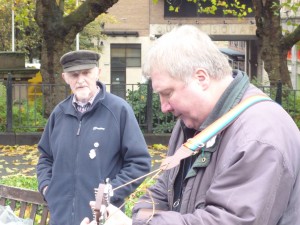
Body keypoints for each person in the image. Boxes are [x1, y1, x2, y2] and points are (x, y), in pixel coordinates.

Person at [81, 25, 300, 225]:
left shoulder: (259, 135)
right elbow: (159, 192)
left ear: (201, 78)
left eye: (167, 93)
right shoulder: (191, 122)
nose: (164, 107)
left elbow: (230, 221)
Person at [36, 50, 151, 225]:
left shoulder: (119, 110)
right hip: (61, 218)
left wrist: (109, 193)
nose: (80, 80)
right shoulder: (59, 113)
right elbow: (45, 157)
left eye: (86, 73)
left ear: (98, 73)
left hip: (103, 218)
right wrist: (47, 188)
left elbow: (139, 162)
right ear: (65, 78)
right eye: (74, 74)